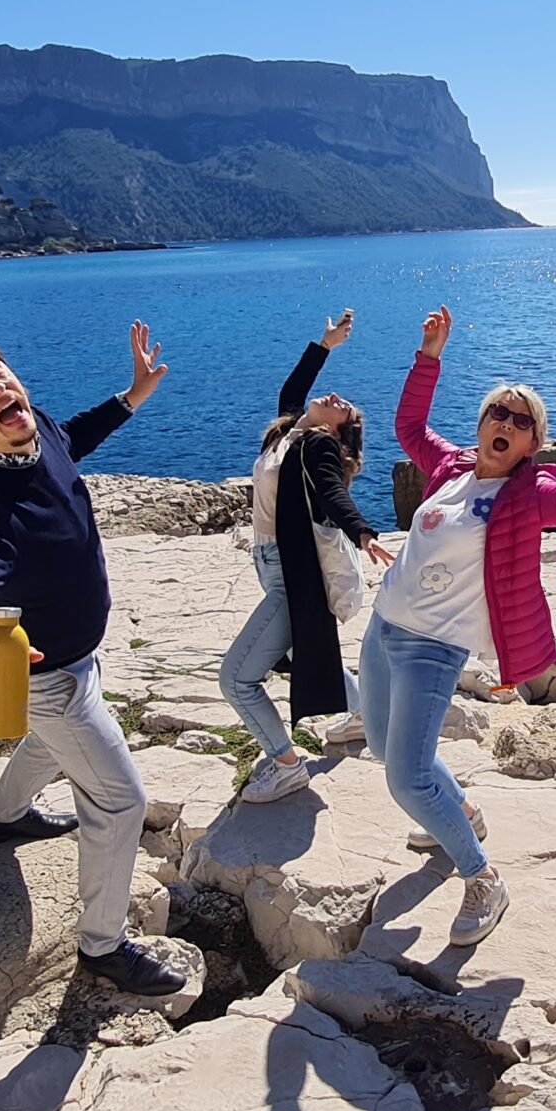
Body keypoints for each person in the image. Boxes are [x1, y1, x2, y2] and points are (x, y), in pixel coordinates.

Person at [369, 306, 556, 946]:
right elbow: (408, 426)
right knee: (388, 750)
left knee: (406, 776)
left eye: (522, 420)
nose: (506, 423)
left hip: (435, 647)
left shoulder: (528, 493)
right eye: (497, 414)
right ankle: (464, 814)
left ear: (534, 443)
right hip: (383, 628)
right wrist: (429, 356)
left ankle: (483, 878)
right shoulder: (450, 467)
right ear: (481, 425)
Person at [0, 317, 186, 997]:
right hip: (47, 673)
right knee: (119, 801)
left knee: (52, 742)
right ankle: (103, 946)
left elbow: (71, 438)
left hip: (75, 656)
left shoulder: (31, 428)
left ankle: (3, 819)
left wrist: (133, 394)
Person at [222, 309, 397, 804]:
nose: (339, 400)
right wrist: (325, 345)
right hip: (271, 561)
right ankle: (364, 714)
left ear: (340, 433)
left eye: (347, 410)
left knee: (237, 679)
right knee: (302, 649)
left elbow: (332, 493)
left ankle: (285, 762)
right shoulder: (288, 433)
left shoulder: (318, 446)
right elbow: (293, 390)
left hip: (290, 571)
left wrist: (363, 532)